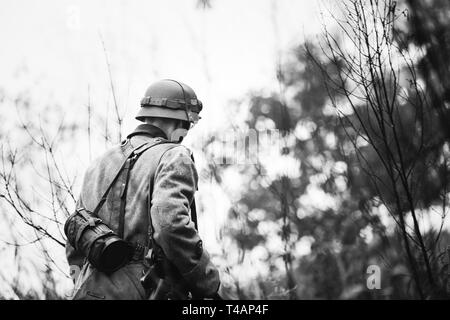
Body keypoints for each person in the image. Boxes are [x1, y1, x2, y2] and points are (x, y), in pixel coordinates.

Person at [66, 79, 221, 299]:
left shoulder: (99, 163)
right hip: (146, 290)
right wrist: (208, 282)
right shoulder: (174, 156)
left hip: (88, 291)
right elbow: (170, 225)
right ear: (184, 122)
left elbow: (75, 237)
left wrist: (81, 281)